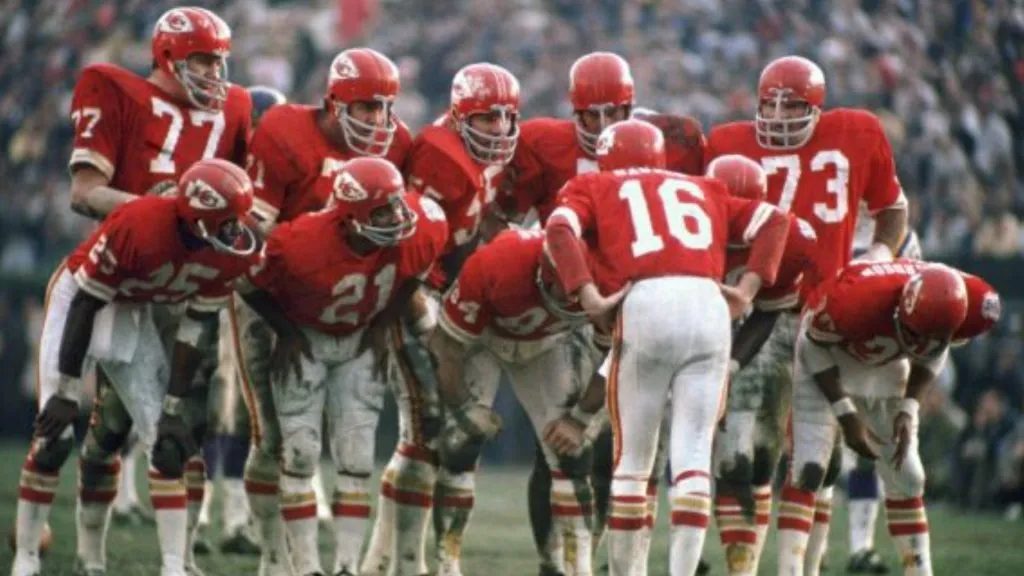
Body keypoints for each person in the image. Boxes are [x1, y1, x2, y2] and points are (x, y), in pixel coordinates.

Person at [542, 119, 789, 576]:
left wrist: (588, 295)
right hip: (707, 304)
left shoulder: (595, 183)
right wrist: (749, 290)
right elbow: (775, 219)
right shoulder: (706, 186)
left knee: (634, 463)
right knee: (693, 458)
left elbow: (558, 229)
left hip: (648, 299)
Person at [705, 55, 910, 574]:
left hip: (827, 311)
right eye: (768, 105)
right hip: (759, 308)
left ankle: (803, 567)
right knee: (742, 454)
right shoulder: (726, 142)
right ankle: (742, 566)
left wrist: (880, 257)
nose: (776, 116)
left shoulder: (858, 131)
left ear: (817, 108)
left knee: (817, 462)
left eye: (790, 106)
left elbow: (892, 207)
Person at [12, 158, 259, 576]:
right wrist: (69, 389)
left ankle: (174, 565)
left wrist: (176, 406)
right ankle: (26, 557)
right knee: (52, 439)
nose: (237, 231)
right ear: (198, 218)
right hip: (80, 298)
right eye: (226, 221)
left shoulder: (226, 252)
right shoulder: (140, 224)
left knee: (166, 441)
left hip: (132, 309)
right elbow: (87, 303)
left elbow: (193, 331)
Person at [234, 47, 413, 576]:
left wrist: (384, 315)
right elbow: (254, 236)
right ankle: (272, 558)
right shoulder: (286, 131)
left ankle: (340, 565)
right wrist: (309, 258)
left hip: (354, 304)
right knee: (273, 440)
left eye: (386, 108)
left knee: (355, 447)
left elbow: (411, 248)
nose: (379, 121)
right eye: (366, 108)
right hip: (277, 292)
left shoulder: (397, 144)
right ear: (335, 104)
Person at [235, 157, 447, 576]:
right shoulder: (298, 242)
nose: (398, 216)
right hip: (307, 337)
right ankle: (308, 567)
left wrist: (384, 325)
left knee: (356, 456)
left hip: (358, 338)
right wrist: (287, 332)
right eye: (383, 210)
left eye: (396, 204)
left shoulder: (421, 226)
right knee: (299, 454)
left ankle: (347, 567)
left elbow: (414, 274)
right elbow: (247, 282)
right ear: (349, 220)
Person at [363, 62, 522, 576]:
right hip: (411, 295)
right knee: (425, 431)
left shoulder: (479, 157)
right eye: (486, 119)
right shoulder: (440, 153)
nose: (499, 130)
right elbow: (411, 250)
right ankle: (401, 562)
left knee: (423, 437)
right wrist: (425, 319)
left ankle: (382, 559)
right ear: (458, 116)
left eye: (506, 118)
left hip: (441, 294)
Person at [778, 261, 997, 576]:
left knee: (907, 475)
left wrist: (909, 408)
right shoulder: (855, 301)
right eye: (915, 333)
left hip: (886, 364)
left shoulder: (974, 301)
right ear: (901, 310)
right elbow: (812, 346)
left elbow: (937, 348)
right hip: (829, 354)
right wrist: (846, 415)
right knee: (808, 468)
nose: (920, 344)